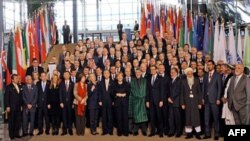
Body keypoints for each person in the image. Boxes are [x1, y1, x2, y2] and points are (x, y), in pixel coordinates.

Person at [180, 68, 202, 139]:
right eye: (188, 73)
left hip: (195, 102)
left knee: (196, 118)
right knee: (188, 117)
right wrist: (182, 103)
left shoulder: (196, 80)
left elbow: (199, 92)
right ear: (186, 74)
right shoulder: (183, 81)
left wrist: (199, 103)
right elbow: (182, 93)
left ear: (192, 73)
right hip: (187, 102)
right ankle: (189, 134)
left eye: (191, 73)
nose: (190, 74)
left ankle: (197, 133)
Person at [203, 60, 222, 140]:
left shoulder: (218, 75)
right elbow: (203, 87)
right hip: (206, 100)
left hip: (214, 100)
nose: (208, 66)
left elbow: (219, 88)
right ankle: (207, 133)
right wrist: (202, 98)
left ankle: (216, 134)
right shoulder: (205, 75)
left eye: (210, 65)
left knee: (215, 118)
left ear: (213, 65)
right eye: (207, 65)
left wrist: (218, 98)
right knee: (206, 118)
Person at [146, 65, 164, 137]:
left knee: (159, 117)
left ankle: (160, 132)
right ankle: (152, 131)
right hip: (151, 101)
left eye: (153, 69)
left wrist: (161, 100)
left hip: (158, 101)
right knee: (152, 117)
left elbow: (162, 90)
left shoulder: (160, 78)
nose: (152, 71)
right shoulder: (148, 78)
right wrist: (147, 100)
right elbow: (147, 91)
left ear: (156, 70)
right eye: (151, 69)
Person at [4, 74, 23, 140]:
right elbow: (6, 97)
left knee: (18, 121)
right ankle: (11, 135)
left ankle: (16, 134)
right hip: (11, 107)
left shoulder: (19, 86)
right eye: (16, 78)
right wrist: (7, 106)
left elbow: (20, 97)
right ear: (12, 79)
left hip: (18, 107)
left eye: (18, 78)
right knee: (11, 122)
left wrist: (21, 105)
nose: (17, 79)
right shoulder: (8, 87)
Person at [130, 68, 148, 136]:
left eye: (139, 72)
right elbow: (131, 90)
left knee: (143, 116)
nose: (137, 73)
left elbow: (146, 90)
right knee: (136, 116)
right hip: (136, 100)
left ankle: (144, 130)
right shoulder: (132, 81)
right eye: (136, 72)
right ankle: (135, 130)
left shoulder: (145, 80)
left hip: (143, 100)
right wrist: (137, 96)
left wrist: (145, 98)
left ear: (141, 73)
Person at [98, 70, 115, 135]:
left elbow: (114, 92)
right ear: (103, 74)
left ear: (109, 74)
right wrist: (99, 100)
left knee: (110, 117)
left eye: (107, 73)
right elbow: (99, 92)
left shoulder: (113, 82)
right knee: (104, 117)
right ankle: (105, 131)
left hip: (110, 102)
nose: (106, 74)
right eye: (105, 73)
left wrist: (113, 101)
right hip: (103, 102)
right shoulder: (100, 82)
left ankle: (110, 131)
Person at [113, 72, 130, 136]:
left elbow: (128, 92)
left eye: (121, 76)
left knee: (125, 118)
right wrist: (116, 94)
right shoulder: (114, 84)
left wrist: (125, 94)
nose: (120, 77)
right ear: (117, 77)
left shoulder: (126, 84)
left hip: (124, 103)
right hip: (117, 103)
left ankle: (125, 132)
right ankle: (119, 132)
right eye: (118, 76)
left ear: (123, 77)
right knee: (118, 118)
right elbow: (112, 93)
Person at [168, 67, 182, 138]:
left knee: (177, 118)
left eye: (173, 72)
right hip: (170, 102)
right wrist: (168, 98)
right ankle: (171, 131)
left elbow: (178, 91)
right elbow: (168, 91)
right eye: (171, 72)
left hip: (176, 102)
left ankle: (179, 132)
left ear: (177, 73)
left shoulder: (179, 80)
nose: (171, 73)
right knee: (171, 118)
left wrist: (172, 98)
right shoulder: (170, 80)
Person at [60, 71, 74, 136]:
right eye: (64, 74)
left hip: (70, 103)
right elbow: (60, 94)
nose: (66, 76)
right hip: (63, 103)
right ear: (63, 76)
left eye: (67, 74)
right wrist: (61, 102)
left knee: (70, 116)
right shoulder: (61, 83)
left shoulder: (72, 83)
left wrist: (73, 103)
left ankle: (70, 129)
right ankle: (65, 130)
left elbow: (73, 94)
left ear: (69, 75)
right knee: (64, 117)